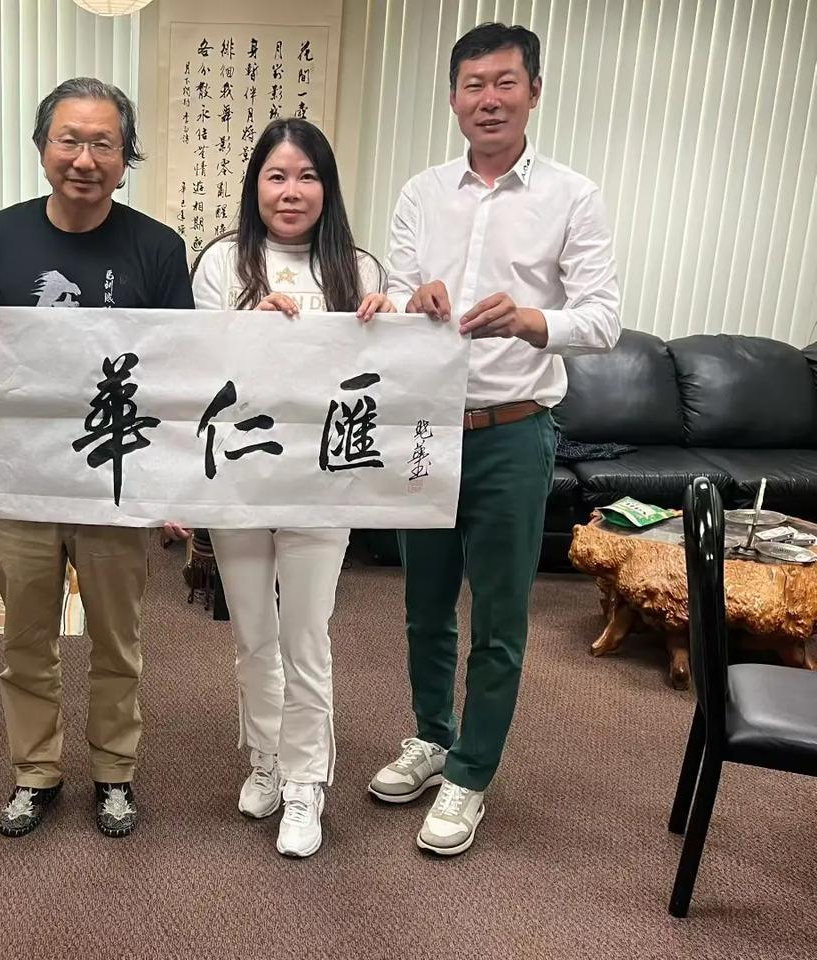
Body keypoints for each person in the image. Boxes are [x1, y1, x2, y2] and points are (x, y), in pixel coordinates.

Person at [369, 22, 621, 856]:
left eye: (505, 83)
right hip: (426, 428)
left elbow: (603, 319)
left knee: (501, 618)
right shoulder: (421, 192)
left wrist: (530, 320)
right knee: (424, 606)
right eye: (473, 85)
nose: (489, 99)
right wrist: (411, 299)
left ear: (533, 92)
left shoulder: (572, 196)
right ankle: (431, 737)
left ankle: (471, 773)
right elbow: (392, 292)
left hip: (514, 430)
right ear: (453, 98)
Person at [0, 77, 194, 839]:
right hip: (26, 476)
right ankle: (35, 773)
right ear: (43, 146)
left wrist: (173, 485)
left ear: (125, 155)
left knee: (118, 639)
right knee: (26, 640)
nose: (85, 159)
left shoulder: (157, 247)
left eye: (102, 143)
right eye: (69, 140)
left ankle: (115, 772)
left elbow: (178, 368)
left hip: (115, 477)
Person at [190, 118, 392, 858]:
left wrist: (392, 322)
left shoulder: (360, 270)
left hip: (321, 481)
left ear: (327, 188)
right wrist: (248, 326)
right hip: (240, 477)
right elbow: (197, 368)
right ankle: (266, 759)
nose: (291, 191)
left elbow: (384, 377)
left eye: (307, 176)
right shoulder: (222, 262)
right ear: (255, 186)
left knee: (306, 635)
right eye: (276, 176)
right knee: (253, 633)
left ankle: (307, 782)